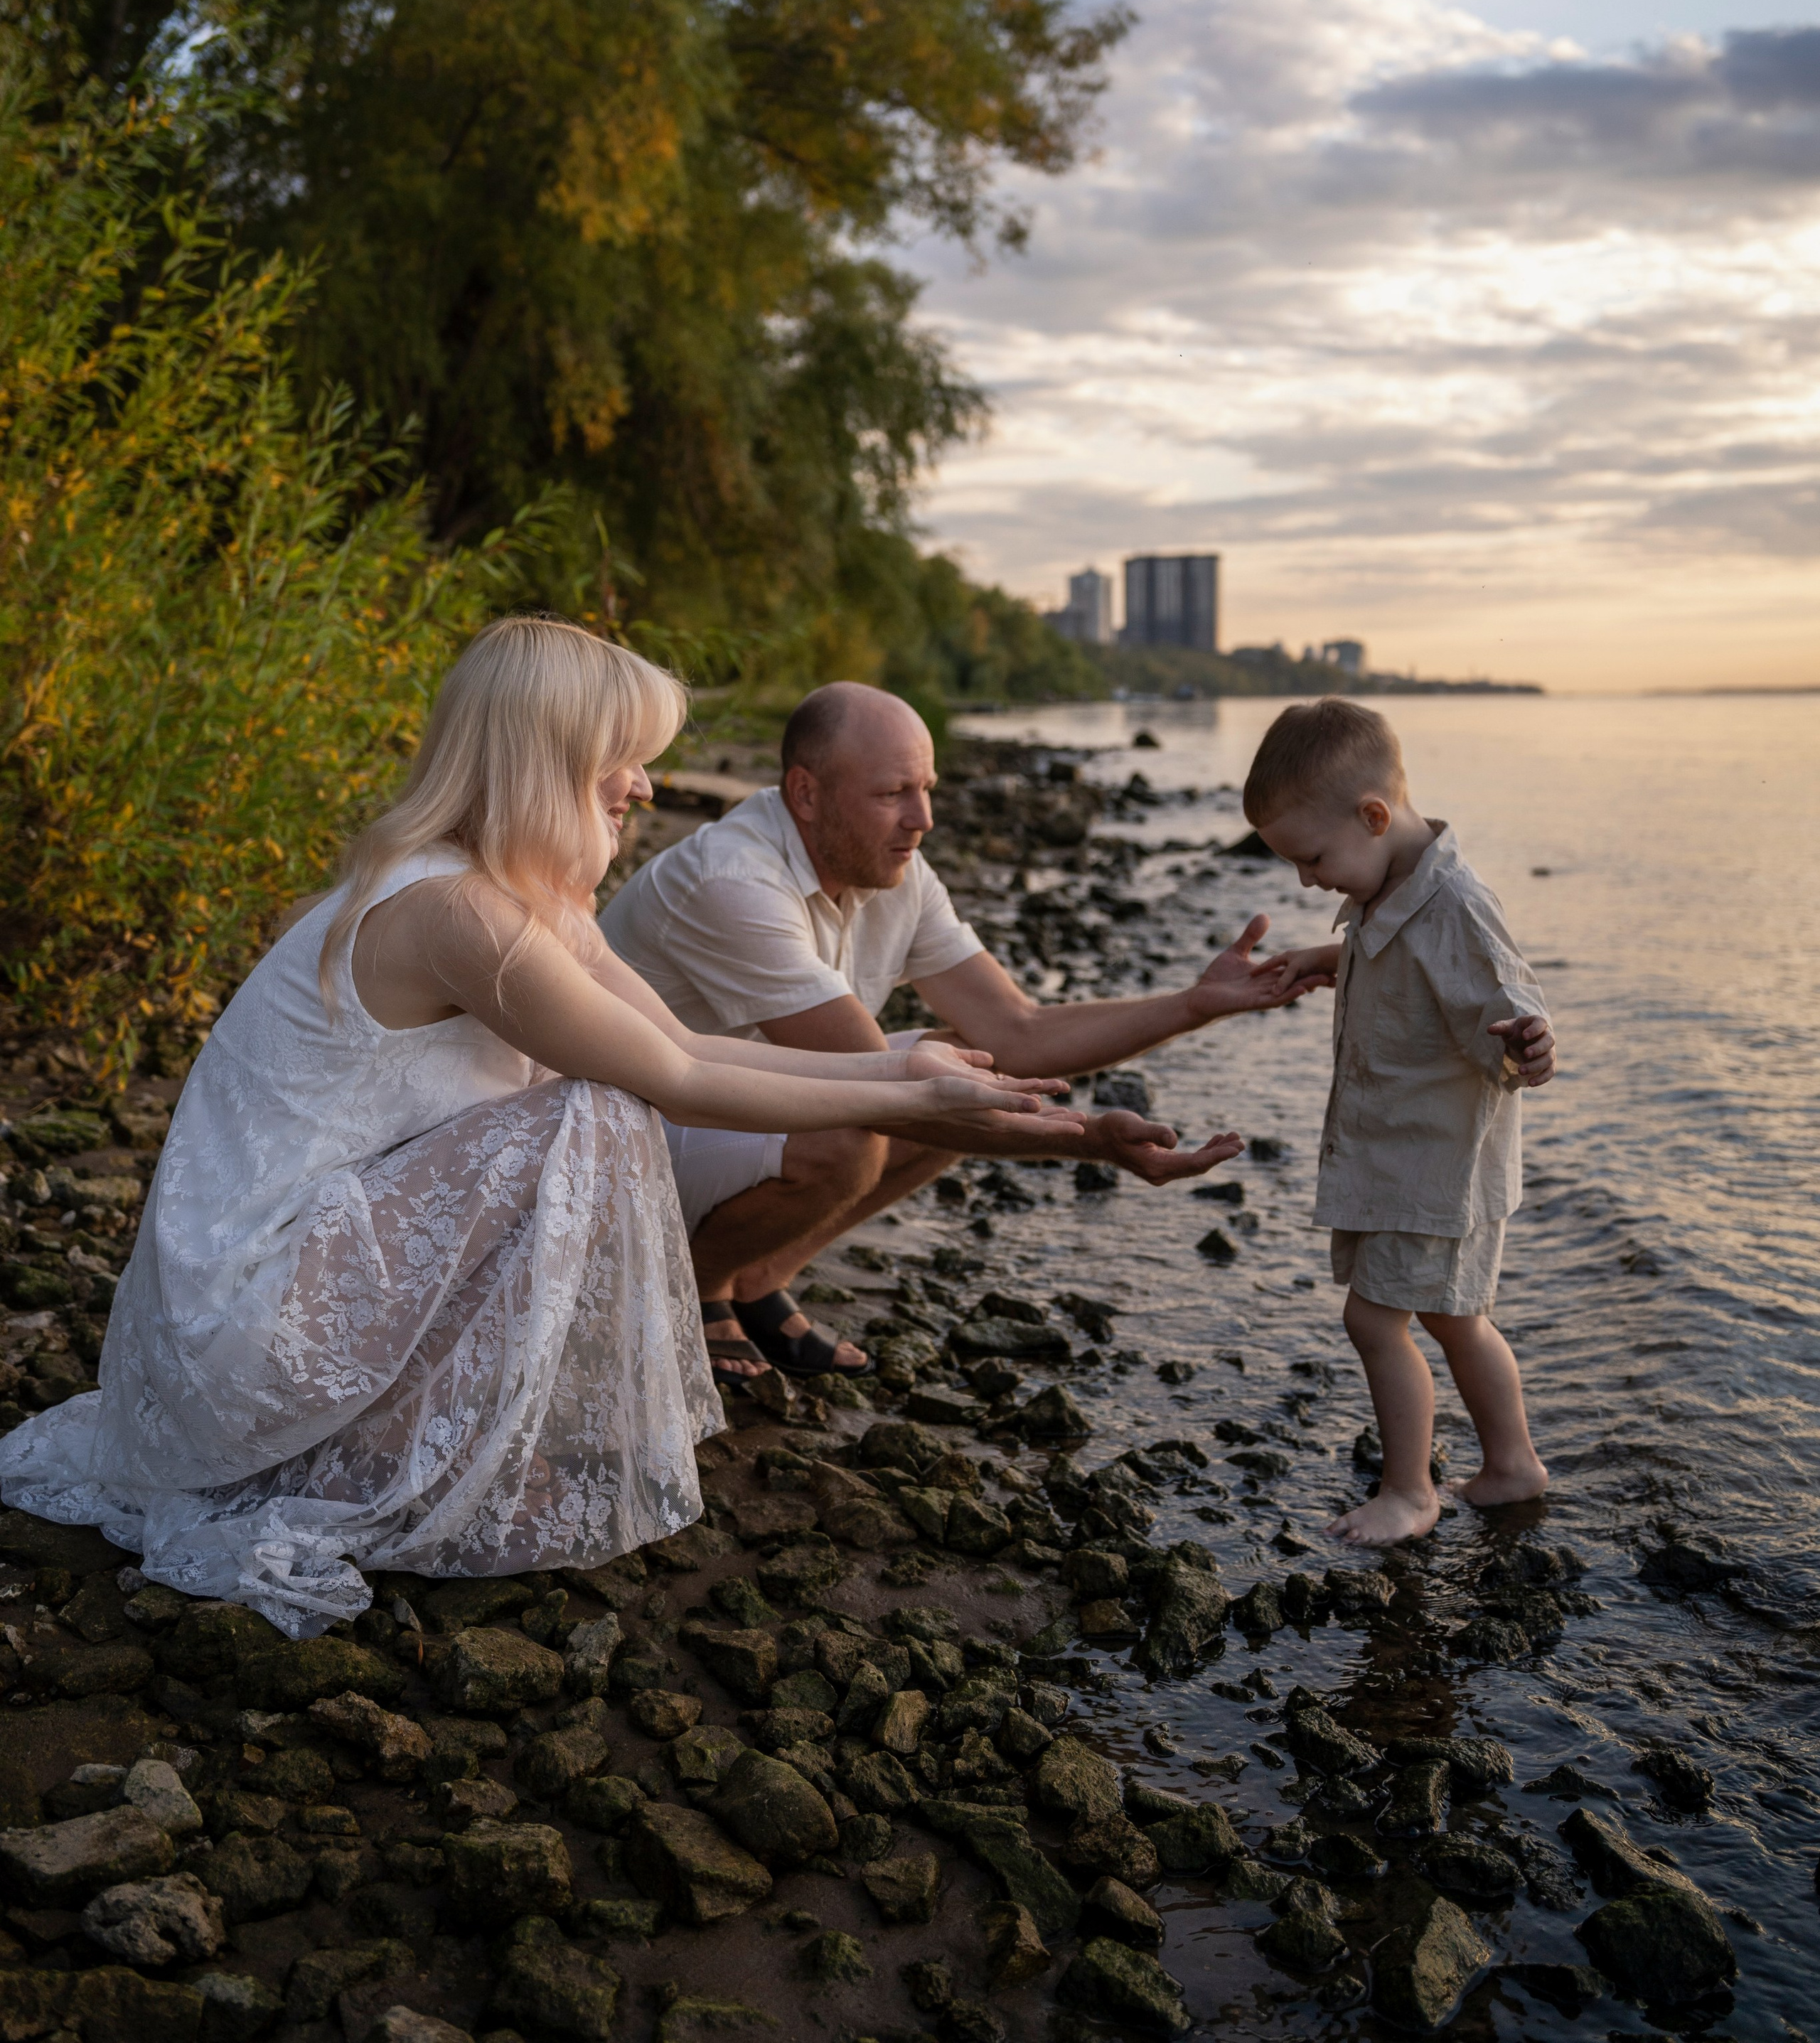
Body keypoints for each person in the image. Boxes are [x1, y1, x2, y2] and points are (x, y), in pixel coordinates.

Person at [0, 619, 1125, 1636]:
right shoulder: (453, 913)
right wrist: (915, 1096)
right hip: (237, 1328)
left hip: (285, 1293)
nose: (643, 783)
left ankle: (415, 1442)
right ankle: (403, 1457)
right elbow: (676, 1077)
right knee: (594, 1111)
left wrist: (901, 1068)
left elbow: (695, 1044)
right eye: (621, 758)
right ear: (546, 761)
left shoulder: (524, 903)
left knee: (597, 1098)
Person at [602, 680, 1314, 1381]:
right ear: (807, 794)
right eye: (892, 795)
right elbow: (878, 1088)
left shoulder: (891, 869)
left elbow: (1017, 1030)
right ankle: (691, 1286)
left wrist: (1196, 1004)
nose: (923, 819)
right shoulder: (732, 881)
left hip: (723, 1113)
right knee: (862, 1131)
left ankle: (756, 1278)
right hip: (620, 1144)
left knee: (966, 1063)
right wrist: (1090, 1141)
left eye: (926, 788)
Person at [1245, 697, 1557, 1547]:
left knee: (1372, 1321)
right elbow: (1399, 959)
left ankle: (1409, 1492)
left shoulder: (1454, 902)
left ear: (1373, 815)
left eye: (1311, 860)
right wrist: (1328, 958)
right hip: (1410, 1157)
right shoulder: (1390, 879)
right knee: (1457, 1317)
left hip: (1430, 1163)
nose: (1308, 881)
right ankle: (1511, 1467)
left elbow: (1506, 999)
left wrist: (1529, 1041)